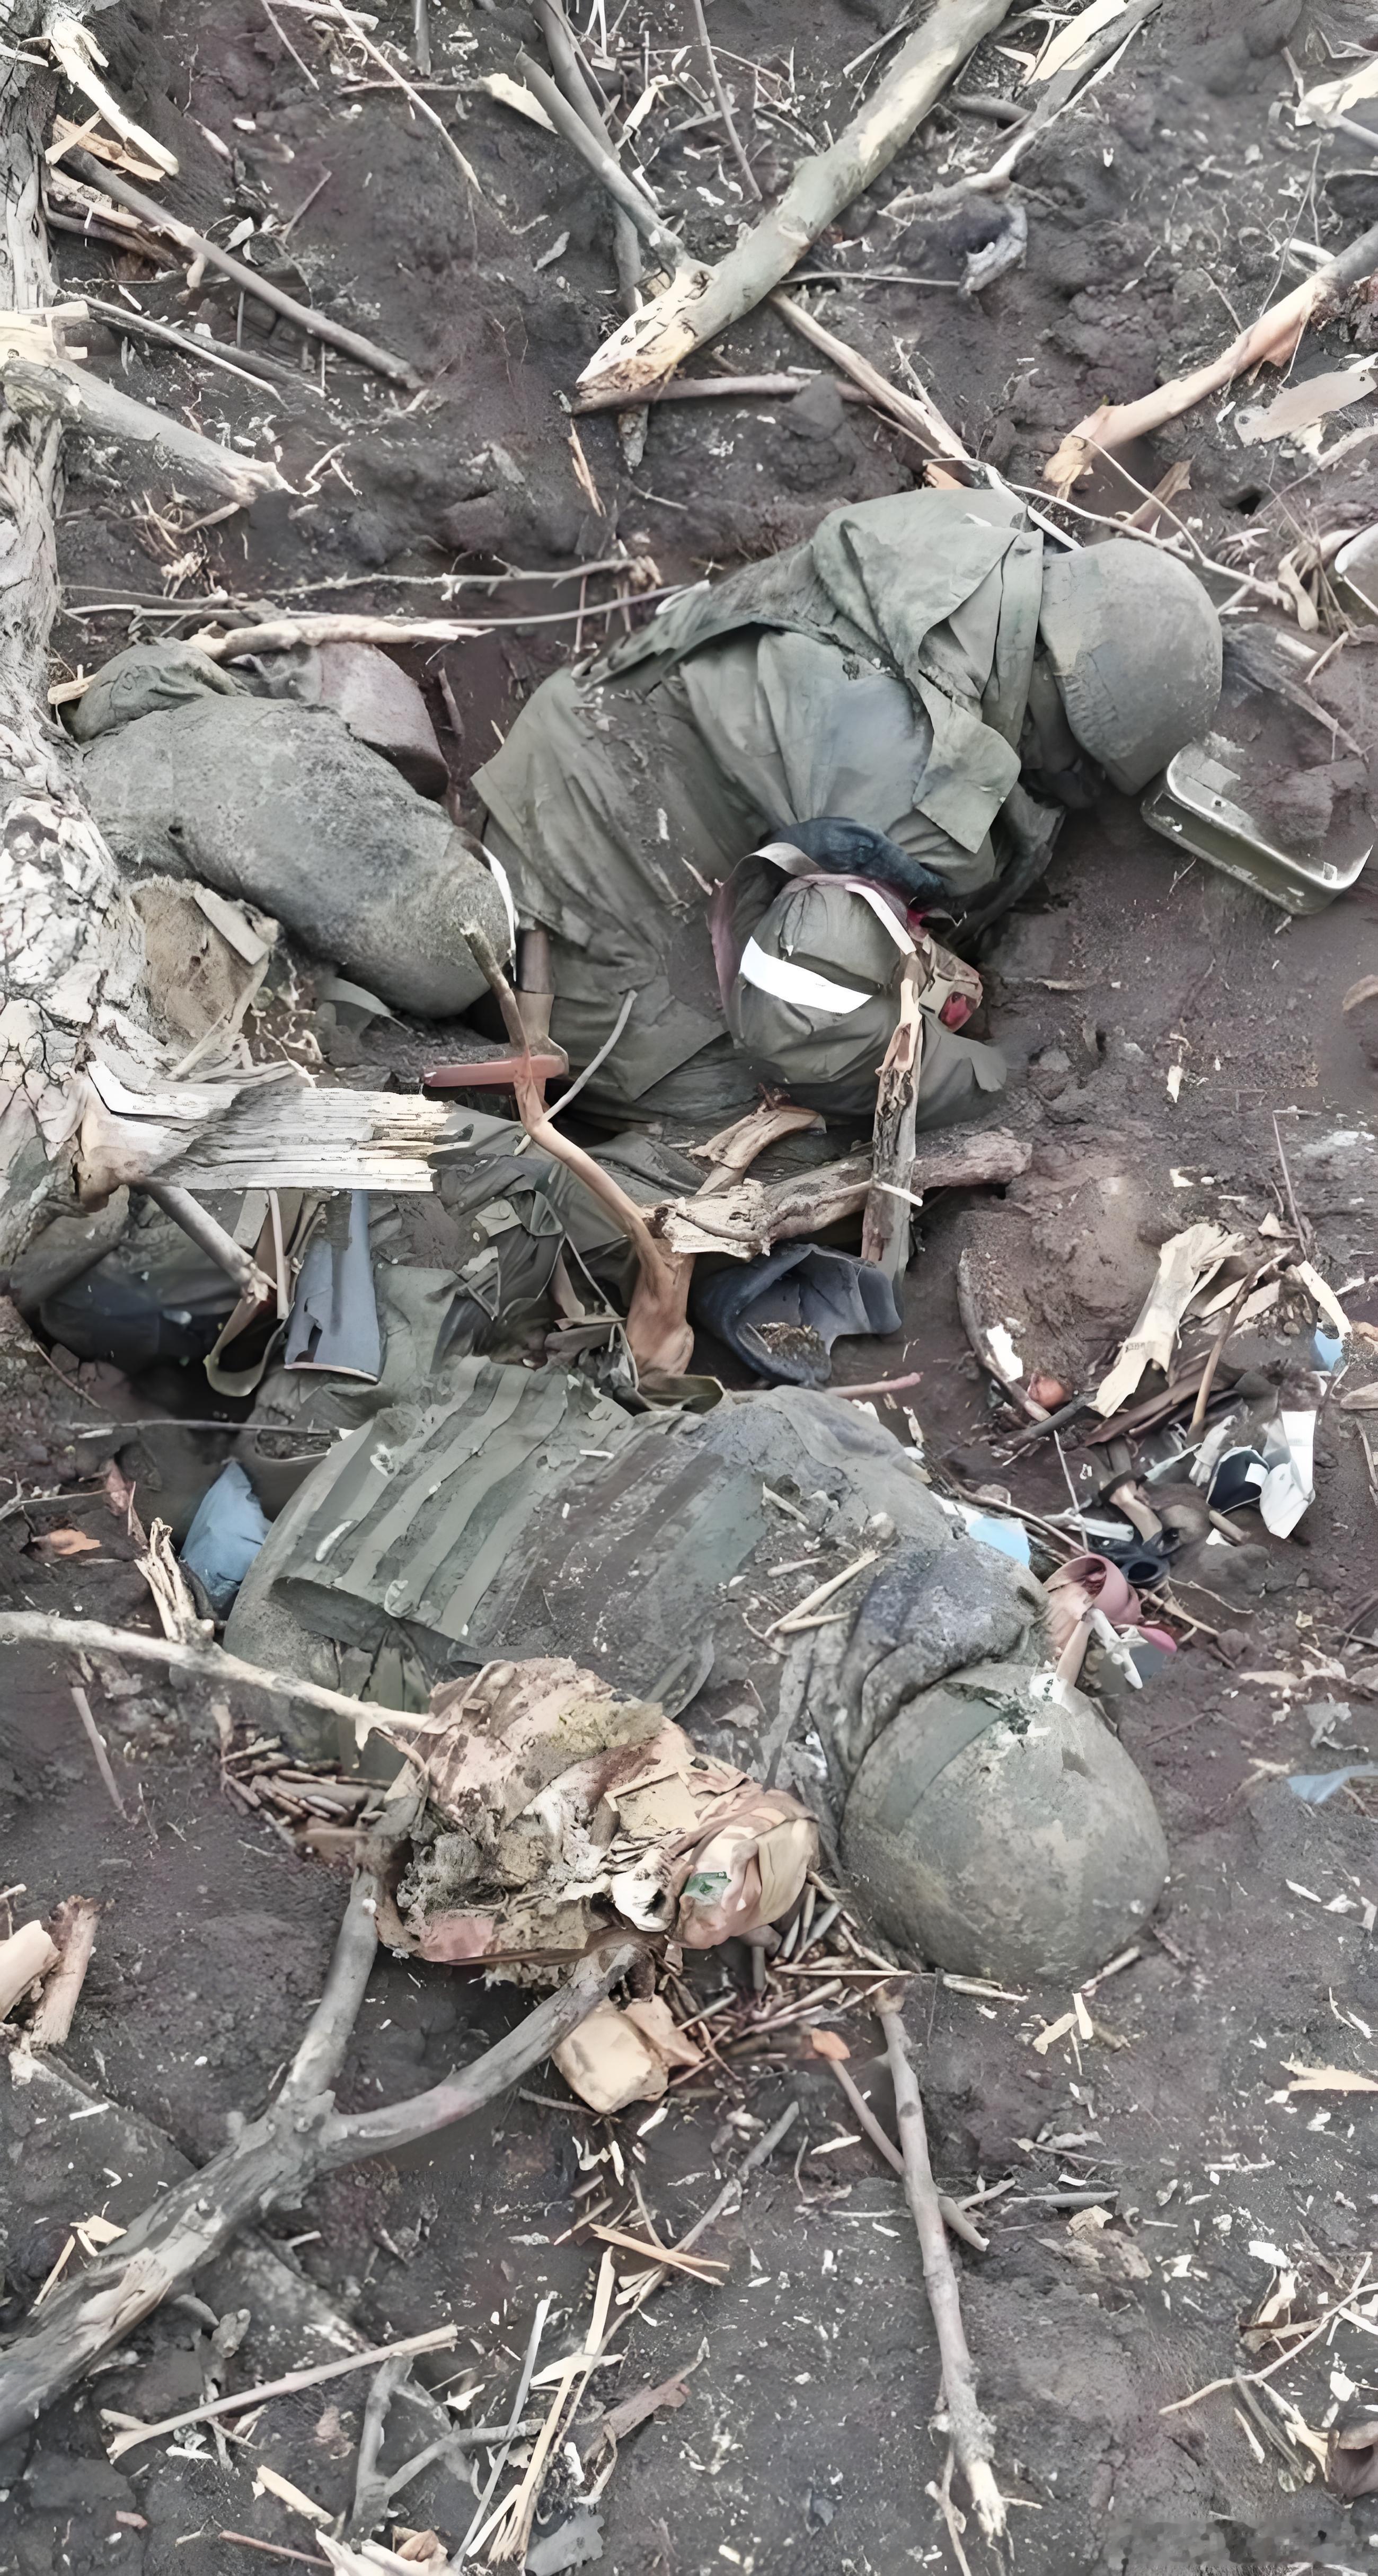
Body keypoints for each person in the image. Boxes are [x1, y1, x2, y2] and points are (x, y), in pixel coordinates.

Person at [476, 488, 1222, 1125]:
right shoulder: (922, 793)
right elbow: (795, 1031)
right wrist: (990, 1077)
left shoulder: (978, 529)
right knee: (790, 1138)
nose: (1084, 792)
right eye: (1088, 771)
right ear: (1061, 718)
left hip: (580, 731)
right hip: (575, 921)